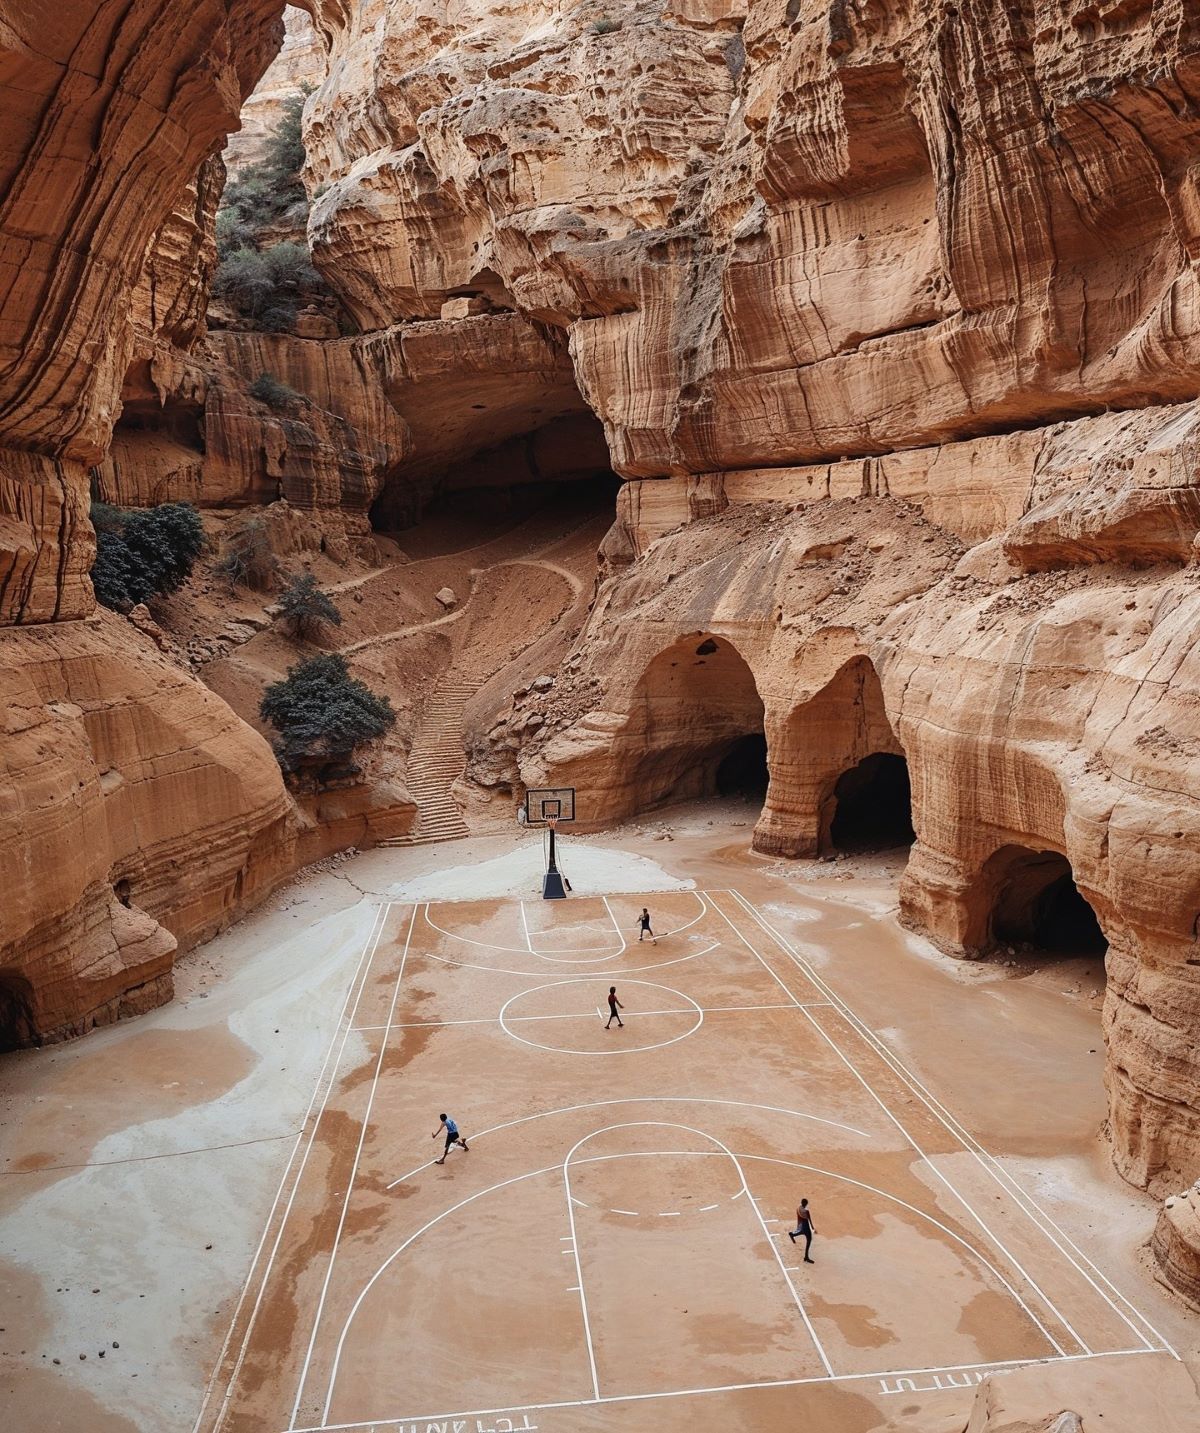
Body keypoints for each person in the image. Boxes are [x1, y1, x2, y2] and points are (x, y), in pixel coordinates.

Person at [788, 1197, 815, 1262]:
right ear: (806, 1204)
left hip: (802, 1225)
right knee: (809, 1240)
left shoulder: (798, 1208)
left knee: (801, 1232)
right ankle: (806, 1257)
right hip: (806, 1227)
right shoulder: (806, 1211)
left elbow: (799, 1217)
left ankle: (792, 1235)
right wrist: (812, 1227)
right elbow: (809, 1220)